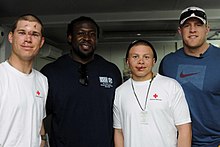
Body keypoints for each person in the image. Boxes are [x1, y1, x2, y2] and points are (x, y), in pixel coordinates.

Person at [40, 16, 122, 147]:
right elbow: (36, 114)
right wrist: (43, 139)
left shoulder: (111, 71)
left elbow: (120, 115)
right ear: (70, 37)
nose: (87, 38)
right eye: (81, 33)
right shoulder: (51, 72)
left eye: (92, 34)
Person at [159, 6, 220, 147]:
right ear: (180, 31)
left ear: (207, 29)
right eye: (187, 25)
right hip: (177, 141)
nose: (192, 30)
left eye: (198, 25)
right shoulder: (168, 63)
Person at [113, 39, 192, 147]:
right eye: (135, 57)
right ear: (127, 61)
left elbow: (184, 128)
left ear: (154, 61)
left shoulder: (171, 86)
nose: (141, 61)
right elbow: (118, 131)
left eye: (146, 57)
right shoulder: (120, 91)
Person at [0, 14, 48, 147]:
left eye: (34, 34)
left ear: (41, 42)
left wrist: (43, 141)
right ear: (11, 37)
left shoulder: (42, 81)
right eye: (22, 33)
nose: (28, 39)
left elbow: (39, 124)